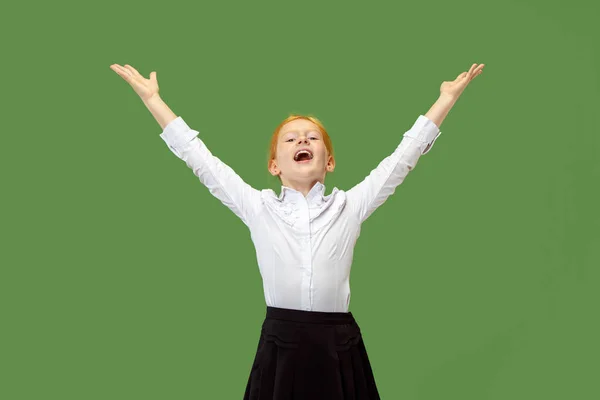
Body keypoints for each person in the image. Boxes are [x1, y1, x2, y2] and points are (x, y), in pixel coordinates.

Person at [110, 62, 484, 399]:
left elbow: (403, 157)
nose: (302, 140)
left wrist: (445, 100)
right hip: (281, 342)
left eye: (312, 137)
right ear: (274, 165)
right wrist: (153, 100)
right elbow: (200, 159)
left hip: (339, 343)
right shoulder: (258, 207)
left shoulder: (349, 206)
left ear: (330, 161)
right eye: (290, 139)